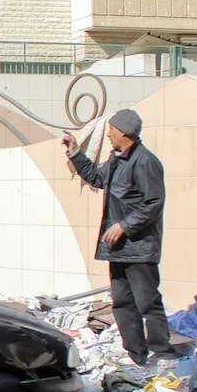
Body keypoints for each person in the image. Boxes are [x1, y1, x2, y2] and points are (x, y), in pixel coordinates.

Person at [62, 109, 175, 366]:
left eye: (111, 129)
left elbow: (153, 202)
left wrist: (124, 226)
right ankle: (136, 355)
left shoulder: (145, 162)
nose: (109, 133)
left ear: (123, 132)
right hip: (119, 248)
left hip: (140, 246)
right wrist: (75, 153)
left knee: (147, 301)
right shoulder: (115, 160)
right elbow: (96, 177)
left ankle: (163, 353)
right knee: (122, 302)